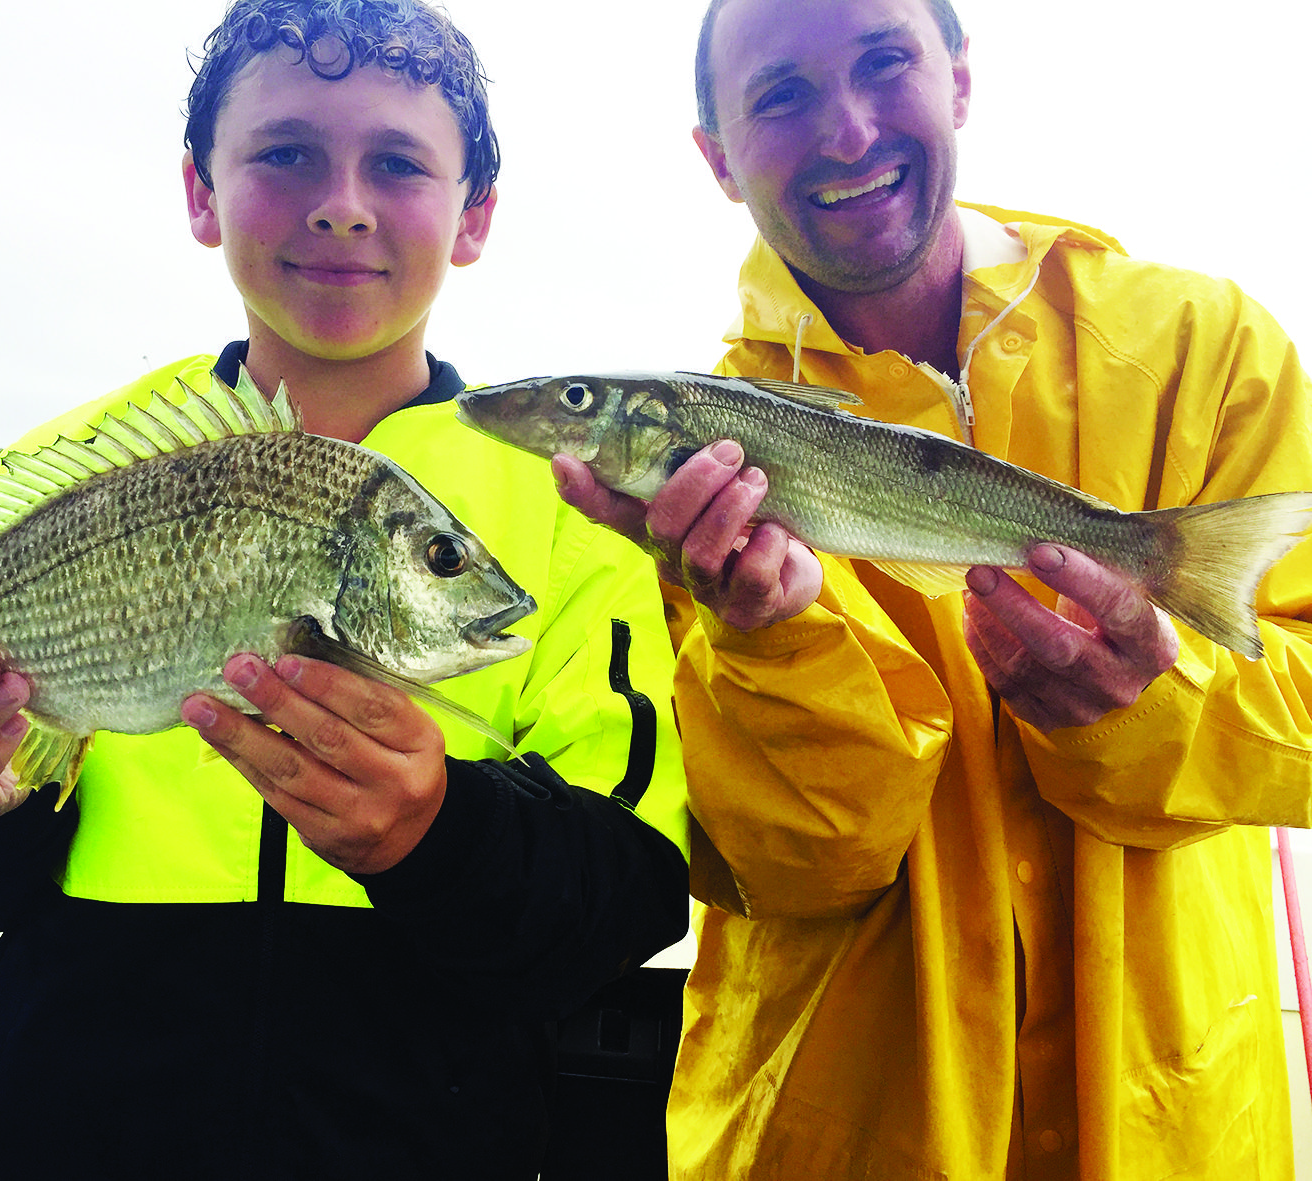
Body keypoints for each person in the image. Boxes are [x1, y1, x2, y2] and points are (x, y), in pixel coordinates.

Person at [0, 3, 689, 1178]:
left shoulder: (573, 507)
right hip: (52, 1128)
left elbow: (629, 896)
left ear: (474, 214)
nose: (341, 201)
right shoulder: (73, 465)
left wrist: (439, 835)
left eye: (397, 162)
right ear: (202, 192)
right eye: (285, 153)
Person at [552, 0, 1312, 1177]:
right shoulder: (668, 498)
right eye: (780, 95)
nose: (848, 132)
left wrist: (1155, 700)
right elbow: (793, 862)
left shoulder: (1209, 347)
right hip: (840, 1134)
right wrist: (768, 639)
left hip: (1177, 1128)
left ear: (959, 77)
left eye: (883, 62)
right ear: (714, 154)